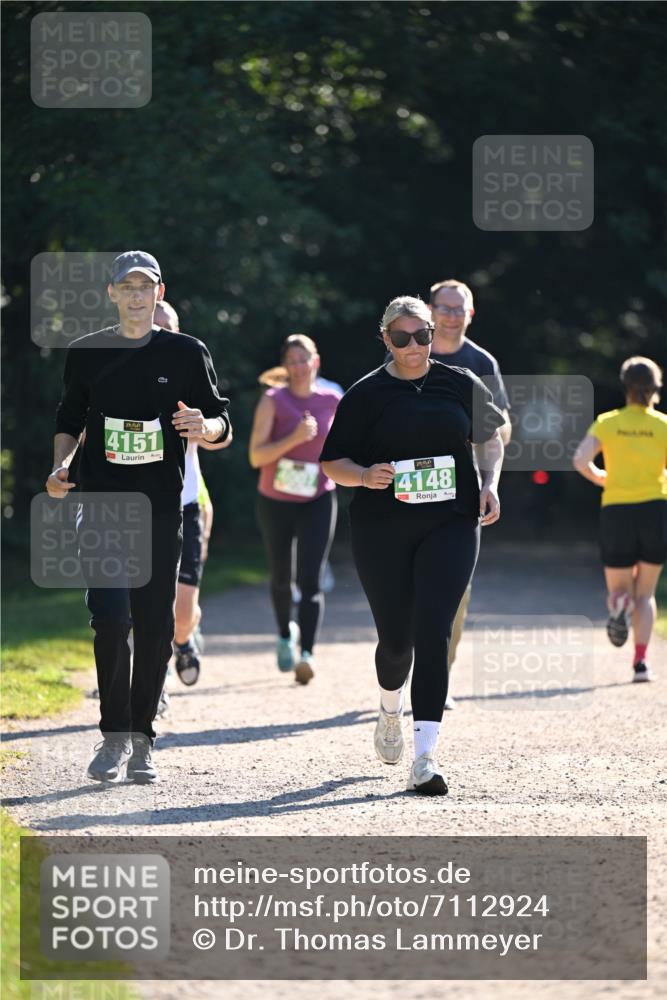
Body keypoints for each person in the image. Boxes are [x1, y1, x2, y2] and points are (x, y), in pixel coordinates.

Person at [46, 251, 231, 784]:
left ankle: (143, 738)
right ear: (111, 293)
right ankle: (113, 736)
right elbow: (69, 418)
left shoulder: (187, 352)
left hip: (160, 507)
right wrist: (60, 465)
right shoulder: (87, 352)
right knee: (110, 619)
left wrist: (205, 428)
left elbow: (222, 420)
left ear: (159, 293)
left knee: (154, 624)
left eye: (144, 286)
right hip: (102, 504)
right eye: (126, 286)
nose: (135, 295)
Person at [321, 296, 504, 796]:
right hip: (382, 527)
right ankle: (389, 708)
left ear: (432, 334)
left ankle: (425, 758)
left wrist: (489, 482)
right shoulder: (366, 394)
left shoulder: (460, 382)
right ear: (386, 339)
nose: (413, 346)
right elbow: (333, 462)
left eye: (421, 335)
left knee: (434, 629)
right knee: (397, 640)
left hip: (452, 521)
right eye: (401, 338)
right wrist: (363, 475)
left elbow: (490, 437)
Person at [428, 279, 511, 709]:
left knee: (457, 589)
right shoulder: (408, 351)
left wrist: (488, 476)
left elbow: (502, 427)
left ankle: (439, 672)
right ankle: (406, 665)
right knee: (409, 586)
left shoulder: (480, 361)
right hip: (411, 487)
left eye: (459, 309)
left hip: (462, 488)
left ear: (471, 314)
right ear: (430, 310)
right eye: (445, 308)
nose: (452, 316)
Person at [249, 334, 340, 684]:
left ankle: (308, 654)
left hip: (318, 498)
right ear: (285, 366)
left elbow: (347, 447)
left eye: (304, 359)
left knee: (311, 579)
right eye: (292, 361)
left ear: (316, 362)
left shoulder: (332, 400)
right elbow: (256, 456)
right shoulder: (273, 400)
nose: (299, 367)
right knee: (281, 576)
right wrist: (294, 439)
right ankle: (286, 636)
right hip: (275, 500)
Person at [153, 300, 232, 693]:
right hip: (134, 505)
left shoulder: (190, 369)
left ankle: (183, 640)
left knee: (182, 614)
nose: (161, 334)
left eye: (169, 327)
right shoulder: (117, 370)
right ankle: (154, 675)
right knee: (137, 603)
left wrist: (206, 428)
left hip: (185, 503)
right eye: (155, 327)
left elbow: (224, 430)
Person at [573, 357, 666, 682]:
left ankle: (619, 604)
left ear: (625, 386)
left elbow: (580, 460)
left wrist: (601, 477)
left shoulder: (608, 422)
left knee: (620, 587)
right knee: (646, 594)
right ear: (656, 387)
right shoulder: (663, 425)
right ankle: (640, 663)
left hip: (617, 510)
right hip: (655, 509)